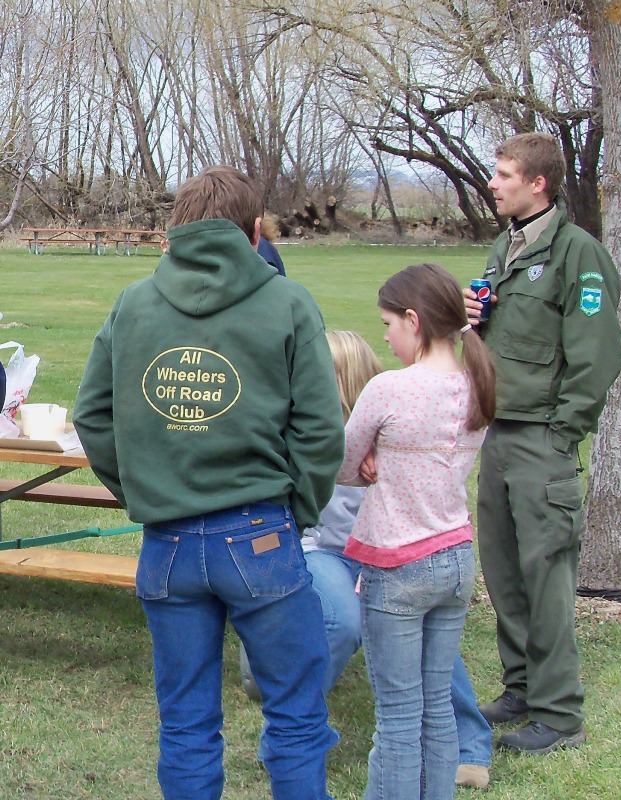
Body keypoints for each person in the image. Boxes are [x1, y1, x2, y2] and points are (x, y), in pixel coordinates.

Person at [73, 165, 345, 800]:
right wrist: (295, 509)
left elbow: (92, 415)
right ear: (256, 232)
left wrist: (143, 490)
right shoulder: (288, 301)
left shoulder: (132, 303)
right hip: (260, 533)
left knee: (187, 721)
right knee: (297, 717)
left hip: (167, 542)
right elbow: (321, 430)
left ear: (176, 230)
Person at [243, 326, 493, 789]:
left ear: (341, 376)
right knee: (343, 619)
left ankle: (471, 745)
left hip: (392, 552)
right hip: (327, 553)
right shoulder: (299, 428)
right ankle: (291, 733)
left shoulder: (390, 416)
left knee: (428, 636)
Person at [464, 132, 621, 754]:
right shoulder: (505, 246)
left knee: (546, 577)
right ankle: (522, 689)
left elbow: (597, 355)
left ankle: (559, 715)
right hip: (499, 433)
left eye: (505, 174)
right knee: (504, 572)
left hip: (542, 441)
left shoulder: (576, 254)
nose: (495, 183)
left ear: (538, 183)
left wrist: (564, 433)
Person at [338, 264, 496, 800]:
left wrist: (368, 459)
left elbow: (339, 465)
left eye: (387, 323)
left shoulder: (389, 389)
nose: (383, 335)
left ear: (414, 320)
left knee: (400, 718)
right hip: (455, 557)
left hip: (398, 566)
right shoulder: (477, 383)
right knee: (436, 710)